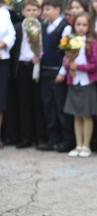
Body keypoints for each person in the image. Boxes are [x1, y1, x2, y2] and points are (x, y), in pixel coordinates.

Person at [56, 12, 97, 157]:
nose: (81, 27)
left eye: (84, 25)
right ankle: (78, 144)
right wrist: (69, 64)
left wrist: (78, 67)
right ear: (74, 25)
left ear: (89, 26)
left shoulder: (92, 42)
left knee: (86, 115)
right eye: (78, 24)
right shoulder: (69, 41)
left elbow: (94, 65)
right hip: (74, 82)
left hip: (87, 82)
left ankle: (86, 146)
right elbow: (65, 60)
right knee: (76, 115)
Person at [38, 0, 74, 152]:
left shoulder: (65, 27)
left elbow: (68, 54)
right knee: (49, 107)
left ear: (57, 9)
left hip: (58, 72)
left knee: (60, 108)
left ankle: (66, 141)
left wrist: (62, 73)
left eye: (48, 9)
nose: (45, 12)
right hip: (44, 71)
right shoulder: (44, 26)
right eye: (44, 9)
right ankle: (53, 139)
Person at [10, 0, 46, 149]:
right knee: (23, 103)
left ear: (38, 12)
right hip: (22, 67)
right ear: (23, 12)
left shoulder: (42, 27)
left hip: (37, 67)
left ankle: (41, 138)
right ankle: (26, 137)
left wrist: (40, 55)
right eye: (28, 10)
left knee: (38, 103)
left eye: (34, 10)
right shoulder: (17, 28)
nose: (31, 13)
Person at [0, 0, 16, 149]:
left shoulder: (5, 13)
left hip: (1, 60)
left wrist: (3, 43)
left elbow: (12, 35)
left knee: (0, 100)